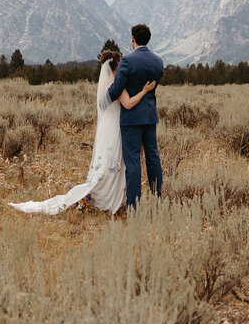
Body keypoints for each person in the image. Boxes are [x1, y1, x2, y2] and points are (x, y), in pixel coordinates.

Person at [9, 44, 155, 216]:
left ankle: (106, 197)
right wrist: (145, 91)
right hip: (116, 127)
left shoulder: (108, 82)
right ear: (117, 64)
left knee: (108, 161)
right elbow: (128, 103)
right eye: (122, 61)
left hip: (106, 128)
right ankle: (108, 199)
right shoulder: (117, 83)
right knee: (114, 161)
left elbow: (103, 105)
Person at [106, 23, 164, 209]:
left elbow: (116, 90)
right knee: (153, 157)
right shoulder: (158, 61)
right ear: (148, 38)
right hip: (149, 116)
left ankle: (134, 206)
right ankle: (157, 199)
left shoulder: (128, 61)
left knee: (133, 161)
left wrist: (104, 99)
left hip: (131, 118)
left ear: (133, 39)